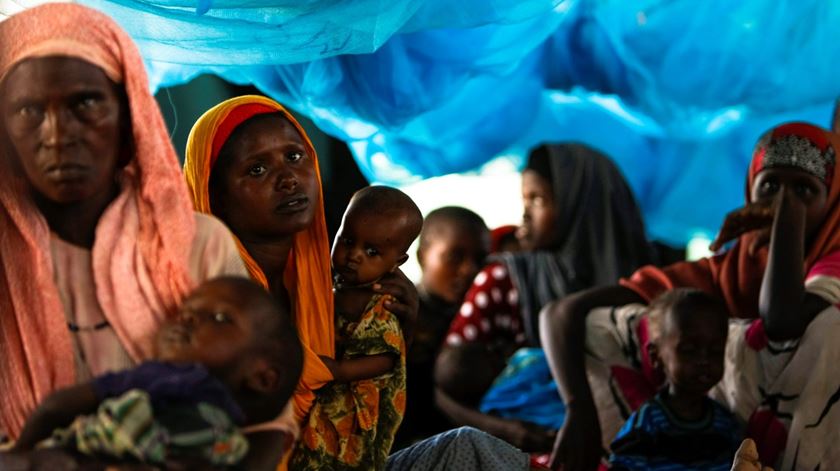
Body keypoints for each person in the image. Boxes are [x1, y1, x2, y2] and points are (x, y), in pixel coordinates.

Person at [0, 3, 248, 448]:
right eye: (28, 111)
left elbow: (262, 418)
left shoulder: (197, 245)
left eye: (86, 102)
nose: (57, 134)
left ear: (130, 114)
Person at [541, 122, 840, 471]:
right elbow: (560, 313)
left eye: (804, 190)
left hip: (809, 444)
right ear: (749, 191)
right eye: (770, 185)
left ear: (833, 202)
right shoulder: (725, 270)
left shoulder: (835, 262)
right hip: (713, 438)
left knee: (828, 328)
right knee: (610, 323)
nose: (782, 201)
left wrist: (787, 216)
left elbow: (781, 322)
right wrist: (578, 409)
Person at [183, 97, 419, 467]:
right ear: (214, 195)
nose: (288, 178)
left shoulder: (329, 289)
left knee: (472, 447)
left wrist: (394, 328)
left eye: (295, 157)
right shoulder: (202, 301)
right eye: (257, 169)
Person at [435, 144, 654, 452]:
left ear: (581, 204)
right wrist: (509, 431)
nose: (524, 213)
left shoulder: (645, 283)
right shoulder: (505, 281)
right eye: (524, 199)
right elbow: (445, 387)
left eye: (538, 199)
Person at [8, 277, 303, 468]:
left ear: (263, 377)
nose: (187, 318)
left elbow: (56, 407)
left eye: (219, 318)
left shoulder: (174, 382)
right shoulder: (167, 380)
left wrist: (22, 448)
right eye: (183, 311)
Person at [289, 185, 422, 470]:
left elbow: (386, 358)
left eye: (372, 251)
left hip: (355, 405)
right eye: (347, 240)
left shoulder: (381, 304)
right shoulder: (328, 282)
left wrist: (339, 371)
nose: (354, 255)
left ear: (396, 263)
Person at [606, 289, 739, 471]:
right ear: (656, 356)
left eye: (715, 351)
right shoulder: (646, 426)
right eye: (689, 350)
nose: (704, 360)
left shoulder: (726, 424)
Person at [396, 206, 490, 448]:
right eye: (455, 256)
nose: (470, 269)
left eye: (480, 259)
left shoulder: (484, 321)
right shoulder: (399, 316)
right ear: (422, 255)